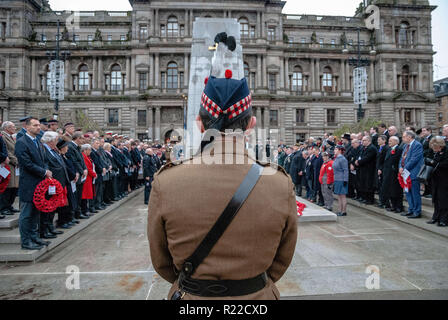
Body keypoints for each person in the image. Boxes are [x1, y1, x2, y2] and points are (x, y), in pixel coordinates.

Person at [148, 39, 297, 300]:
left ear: (200, 124)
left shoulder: (166, 182)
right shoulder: (279, 182)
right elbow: (281, 260)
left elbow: (162, 262)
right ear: (250, 125)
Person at [15, 117, 52, 250]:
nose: (38, 127)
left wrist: (46, 170)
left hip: (39, 183)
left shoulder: (38, 142)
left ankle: (34, 237)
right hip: (29, 183)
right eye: (35, 125)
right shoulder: (22, 142)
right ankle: (26, 241)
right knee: (26, 214)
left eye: (38, 125)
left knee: (36, 212)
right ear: (27, 127)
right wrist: (43, 172)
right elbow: (27, 163)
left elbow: (44, 159)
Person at [40, 131, 66, 239]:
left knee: (53, 207)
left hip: (57, 182)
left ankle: (50, 227)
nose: (57, 142)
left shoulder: (53, 150)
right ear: (50, 140)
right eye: (56, 140)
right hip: (50, 182)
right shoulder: (44, 150)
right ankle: (44, 230)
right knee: (48, 207)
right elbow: (46, 164)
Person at [399, 131, 424, 219]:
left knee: (414, 192)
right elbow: (401, 159)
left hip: (413, 172)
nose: (402, 138)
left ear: (409, 137)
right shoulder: (406, 146)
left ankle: (417, 211)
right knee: (408, 192)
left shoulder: (417, 145)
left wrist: (404, 168)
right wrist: (400, 167)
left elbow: (414, 159)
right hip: (405, 173)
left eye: (404, 137)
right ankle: (411, 209)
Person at [66, 132, 89, 220]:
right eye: (82, 138)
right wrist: (81, 170)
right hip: (76, 174)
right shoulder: (71, 147)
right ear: (77, 138)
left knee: (79, 195)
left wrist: (85, 168)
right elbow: (74, 161)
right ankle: (74, 214)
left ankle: (78, 213)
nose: (83, 140)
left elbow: (81, 160)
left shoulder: (77, 147)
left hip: (81, 173)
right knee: (75, 196)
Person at [425, 136, 448, 227]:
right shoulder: (433, 151)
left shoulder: (446, 151)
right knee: (436, 199)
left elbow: (445, 164)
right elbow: (428, 158)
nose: (434, 149)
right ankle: (436, 217)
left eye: (436, 147)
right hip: (435, 178)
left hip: (444, 179)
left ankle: (444, 219)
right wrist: (428, 161)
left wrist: (433, 163)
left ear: (440, 145)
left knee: (443, 200)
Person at [0, 121, 20, 216]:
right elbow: (7, 151)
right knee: (8, 186)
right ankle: (3, 207)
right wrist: (16, 161)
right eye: (12, 127)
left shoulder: (11, 137)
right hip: (9, 164)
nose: (14, 128)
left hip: (15, 165)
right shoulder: (3, 136)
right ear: (6, 128)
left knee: (14, 186)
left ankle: (9, 206)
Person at [382, 136, 404, 213]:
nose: (389, 142)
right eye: (389, 140)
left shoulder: (399, 149)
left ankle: (398, 206)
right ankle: (393, 206)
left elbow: (399, 160)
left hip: (395, 173)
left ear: (396, 142)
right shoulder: (389, 149)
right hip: (388, 173)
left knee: (396, 190)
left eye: (391, 141)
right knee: (390, 190)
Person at [355, 136, 377, 205]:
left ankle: (370, 199)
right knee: (363, 184)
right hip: (363, 168)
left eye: (364, 140)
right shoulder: (363, 148)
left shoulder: (372, 148)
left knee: (368, 184)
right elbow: (360, 155)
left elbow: (367, 158)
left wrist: (359, 162)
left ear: (369, 141)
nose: (362, 142)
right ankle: (365, 198)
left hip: (369, 169)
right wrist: (357, 161)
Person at [81, 144, 97, 216]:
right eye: (89, 150)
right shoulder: (84, 157)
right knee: (85, 195)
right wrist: (94, 174)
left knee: (87, 195)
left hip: (89, 178)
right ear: (85, 150)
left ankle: (86, 209)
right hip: (87, 178)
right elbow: (88, 168)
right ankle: (84, 210)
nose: (90, 151)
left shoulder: (87, 157)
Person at [332, 145, 349, 216]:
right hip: (337, 179)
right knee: (339, 196)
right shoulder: (337, 158)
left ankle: (344, 211)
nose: (334, 150)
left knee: (342, 196)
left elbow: (345, 170)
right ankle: (339, 210)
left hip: (341, 179)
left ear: (339, 150)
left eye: (335, 149)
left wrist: (345, 180)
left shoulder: (342, 159)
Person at [376, 135, 389, 208]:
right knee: (380, 186)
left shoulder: (386, 148)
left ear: (384, 141)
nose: (378, 141)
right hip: (378, 169)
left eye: (379, 140)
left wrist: (381, 168)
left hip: (383, 170)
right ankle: (381, 201)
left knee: (383, 187)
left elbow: (384, 160)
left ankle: (384, 202)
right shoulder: (380, 148)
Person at [421, 126, 434, 198]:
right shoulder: (424, 139)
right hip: (424, 160)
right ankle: (426, 191)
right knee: (425, 176)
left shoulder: (432, 138)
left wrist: (423, 153)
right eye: (422, 131)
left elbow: (430, 149)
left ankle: (430, 192)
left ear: (429, 131)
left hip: (429, 159)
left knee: (429, 177)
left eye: (424, 130)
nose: (423, 132)